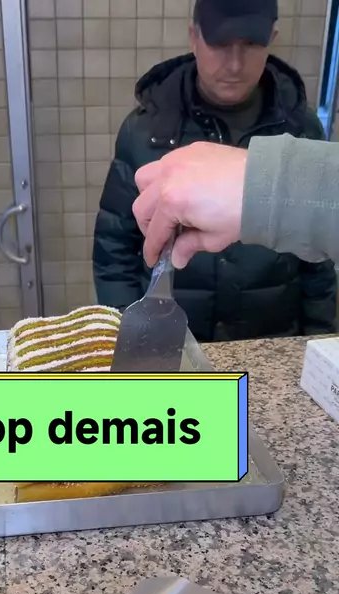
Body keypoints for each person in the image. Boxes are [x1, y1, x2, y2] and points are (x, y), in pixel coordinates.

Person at [93, 0, 337, 342]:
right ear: (194, 37)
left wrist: (319, 342)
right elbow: (114, 250)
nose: (235, 64)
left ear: (272, 38)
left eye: (251, 44)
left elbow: (318, 263)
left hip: (272, 341)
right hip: (170, 343)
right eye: (220, 43)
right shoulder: (145, 130)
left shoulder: (302, 130)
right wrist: (131, 336)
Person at [133, 135, 339, 270]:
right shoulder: (141, 130)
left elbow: (318, 273)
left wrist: (266, 187)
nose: (234, 71)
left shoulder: (302, 121)